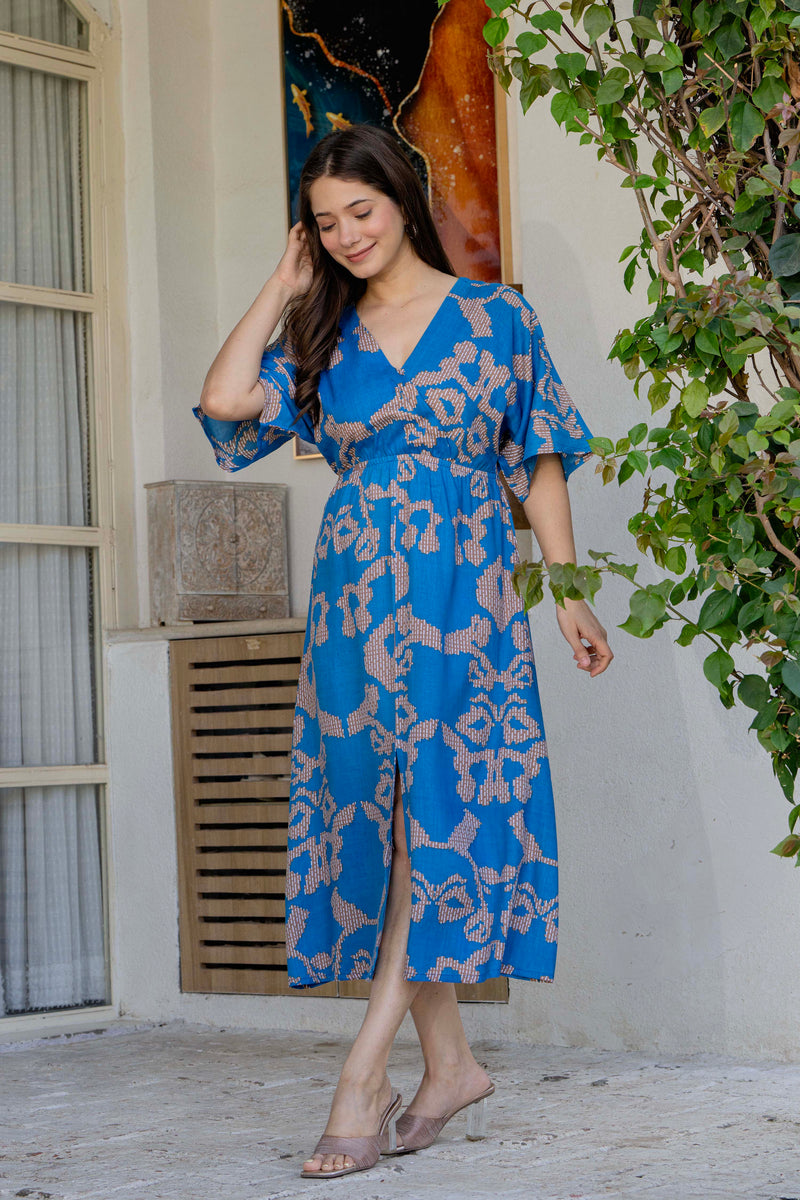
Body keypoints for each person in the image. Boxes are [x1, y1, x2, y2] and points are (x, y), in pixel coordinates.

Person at [195, 124, 613, 1180]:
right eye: (324, 224)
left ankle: (361, 1073)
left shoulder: (494, 317)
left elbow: (541, 456)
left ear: (403, 199)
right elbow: (222, 404)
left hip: (463, 598)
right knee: (380, 825)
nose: (345, 237)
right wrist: (282, 281)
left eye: (360, 213)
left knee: (435, 819)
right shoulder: (322, 334)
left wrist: (564, 593)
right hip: (352, 606)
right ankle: (453, 1067)